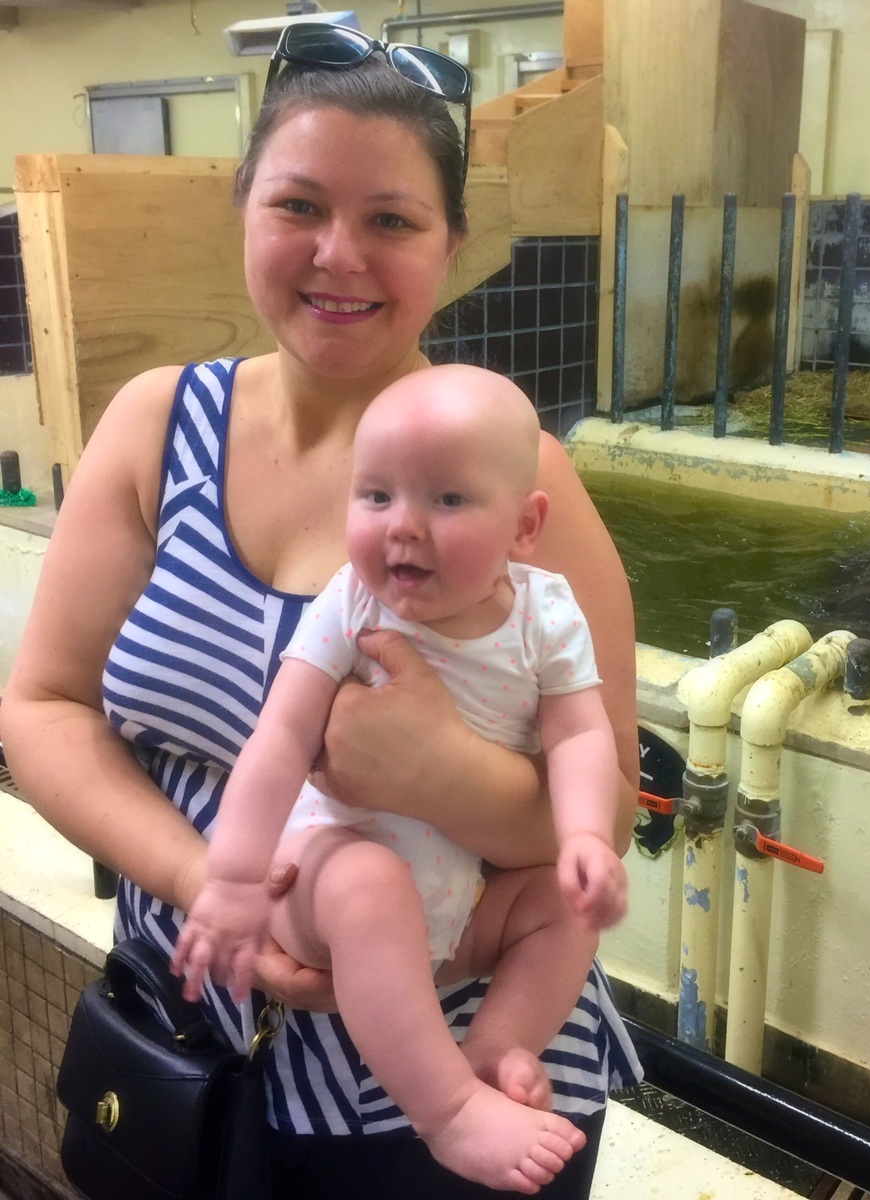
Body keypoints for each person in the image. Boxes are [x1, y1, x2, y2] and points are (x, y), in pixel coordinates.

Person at [0, 23, 641, 1199]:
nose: (338, 255)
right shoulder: (155, 427)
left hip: (480, 1081)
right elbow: (42, 706)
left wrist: (439, 771)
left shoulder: (524, 486)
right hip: (202, 1034)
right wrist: (214, 887)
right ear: (244, 212)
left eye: (391, 219)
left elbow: (602, 799)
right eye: (298, 205)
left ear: (450, 244)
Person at [173, 363, 628, 1192]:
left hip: (466, 907)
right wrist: (235, 878)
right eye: (375, 496)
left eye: (447, 501)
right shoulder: (351, 604)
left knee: (561, 907)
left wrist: (588, 835)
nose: (402, 528)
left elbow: (581, 733)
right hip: (324, 877)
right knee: (371, 883)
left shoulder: (546, 613)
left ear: (524, 527)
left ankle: (493, 1053)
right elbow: (278, 738)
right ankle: (447, 1111)